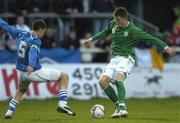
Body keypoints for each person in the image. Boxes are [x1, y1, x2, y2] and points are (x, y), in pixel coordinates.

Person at [82, 7, 175, 118]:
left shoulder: (133, 30)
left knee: (117, 79)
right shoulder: (113, 24)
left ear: (125, 19)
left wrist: (166, 47)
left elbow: (151, 38)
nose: (116, 22)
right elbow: (104, 32)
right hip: (114, 59)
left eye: (118, 20)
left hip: (127, 58)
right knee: (102, 82)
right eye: (115, 20)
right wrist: (91, 39)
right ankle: (118, 106)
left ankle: (122, 109)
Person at [0, 18, 76, 119]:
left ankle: (9, 112)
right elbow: (33, 52)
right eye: (43, 31)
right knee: (64, 76)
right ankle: (62, 104)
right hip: (33, 71)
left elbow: (7, 26)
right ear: (40, 30)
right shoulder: (35, 40)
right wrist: (31, 65)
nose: (43, 34)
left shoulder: (20, 33)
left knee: (21, 90)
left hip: (22, 73)